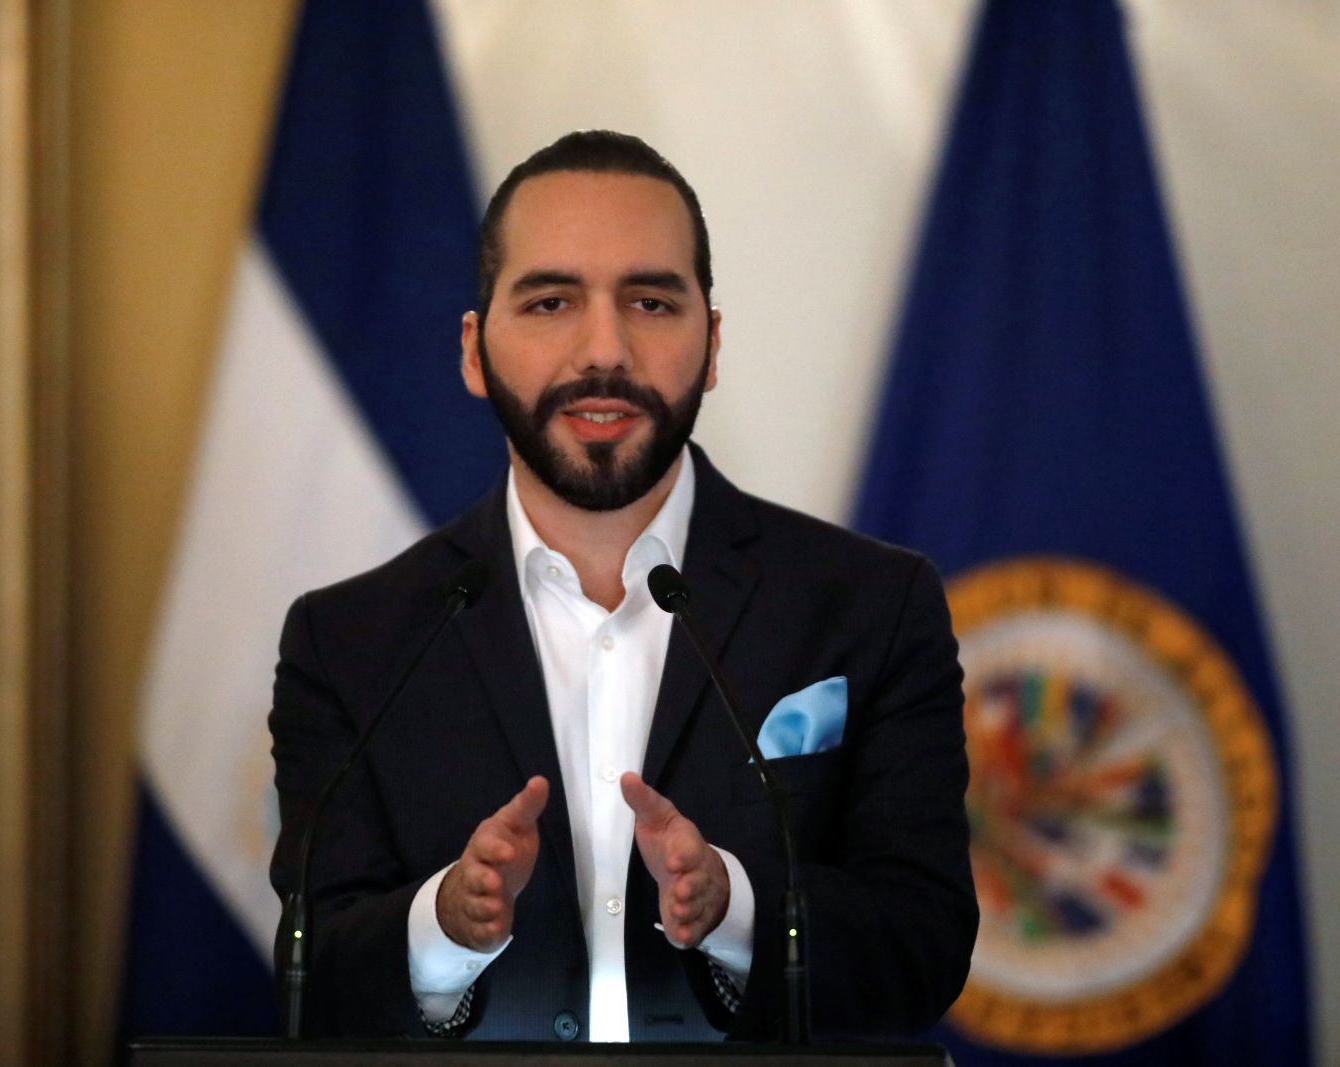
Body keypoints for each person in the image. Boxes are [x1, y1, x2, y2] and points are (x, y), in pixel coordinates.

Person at [268, 130, 976, 1043]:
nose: (604, 349)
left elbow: (925, 947)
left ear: (711, 345)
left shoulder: (873, 606)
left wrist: (738, 908)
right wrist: (443, 926)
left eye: (649, 300)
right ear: (476, 352)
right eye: (552, 300)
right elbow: (307, 975)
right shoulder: (352, 641)